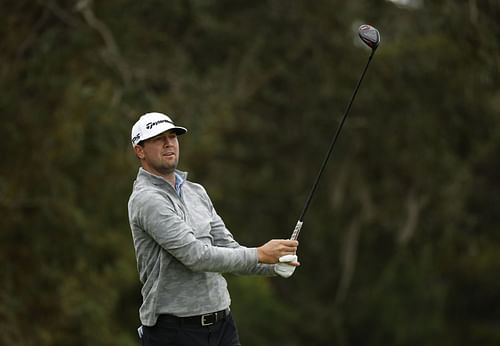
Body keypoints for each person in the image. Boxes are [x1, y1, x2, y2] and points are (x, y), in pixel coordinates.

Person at [128, 112, 300, 346]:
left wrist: (272, 265)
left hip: (222, 327)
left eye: (172, 136)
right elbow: (195, 256)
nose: (169, 143)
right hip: (175, 333)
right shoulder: (147, 200)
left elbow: (228, 248)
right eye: (159, 138)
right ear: (140, 150)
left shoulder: (196, 191)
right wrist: (260, 254)